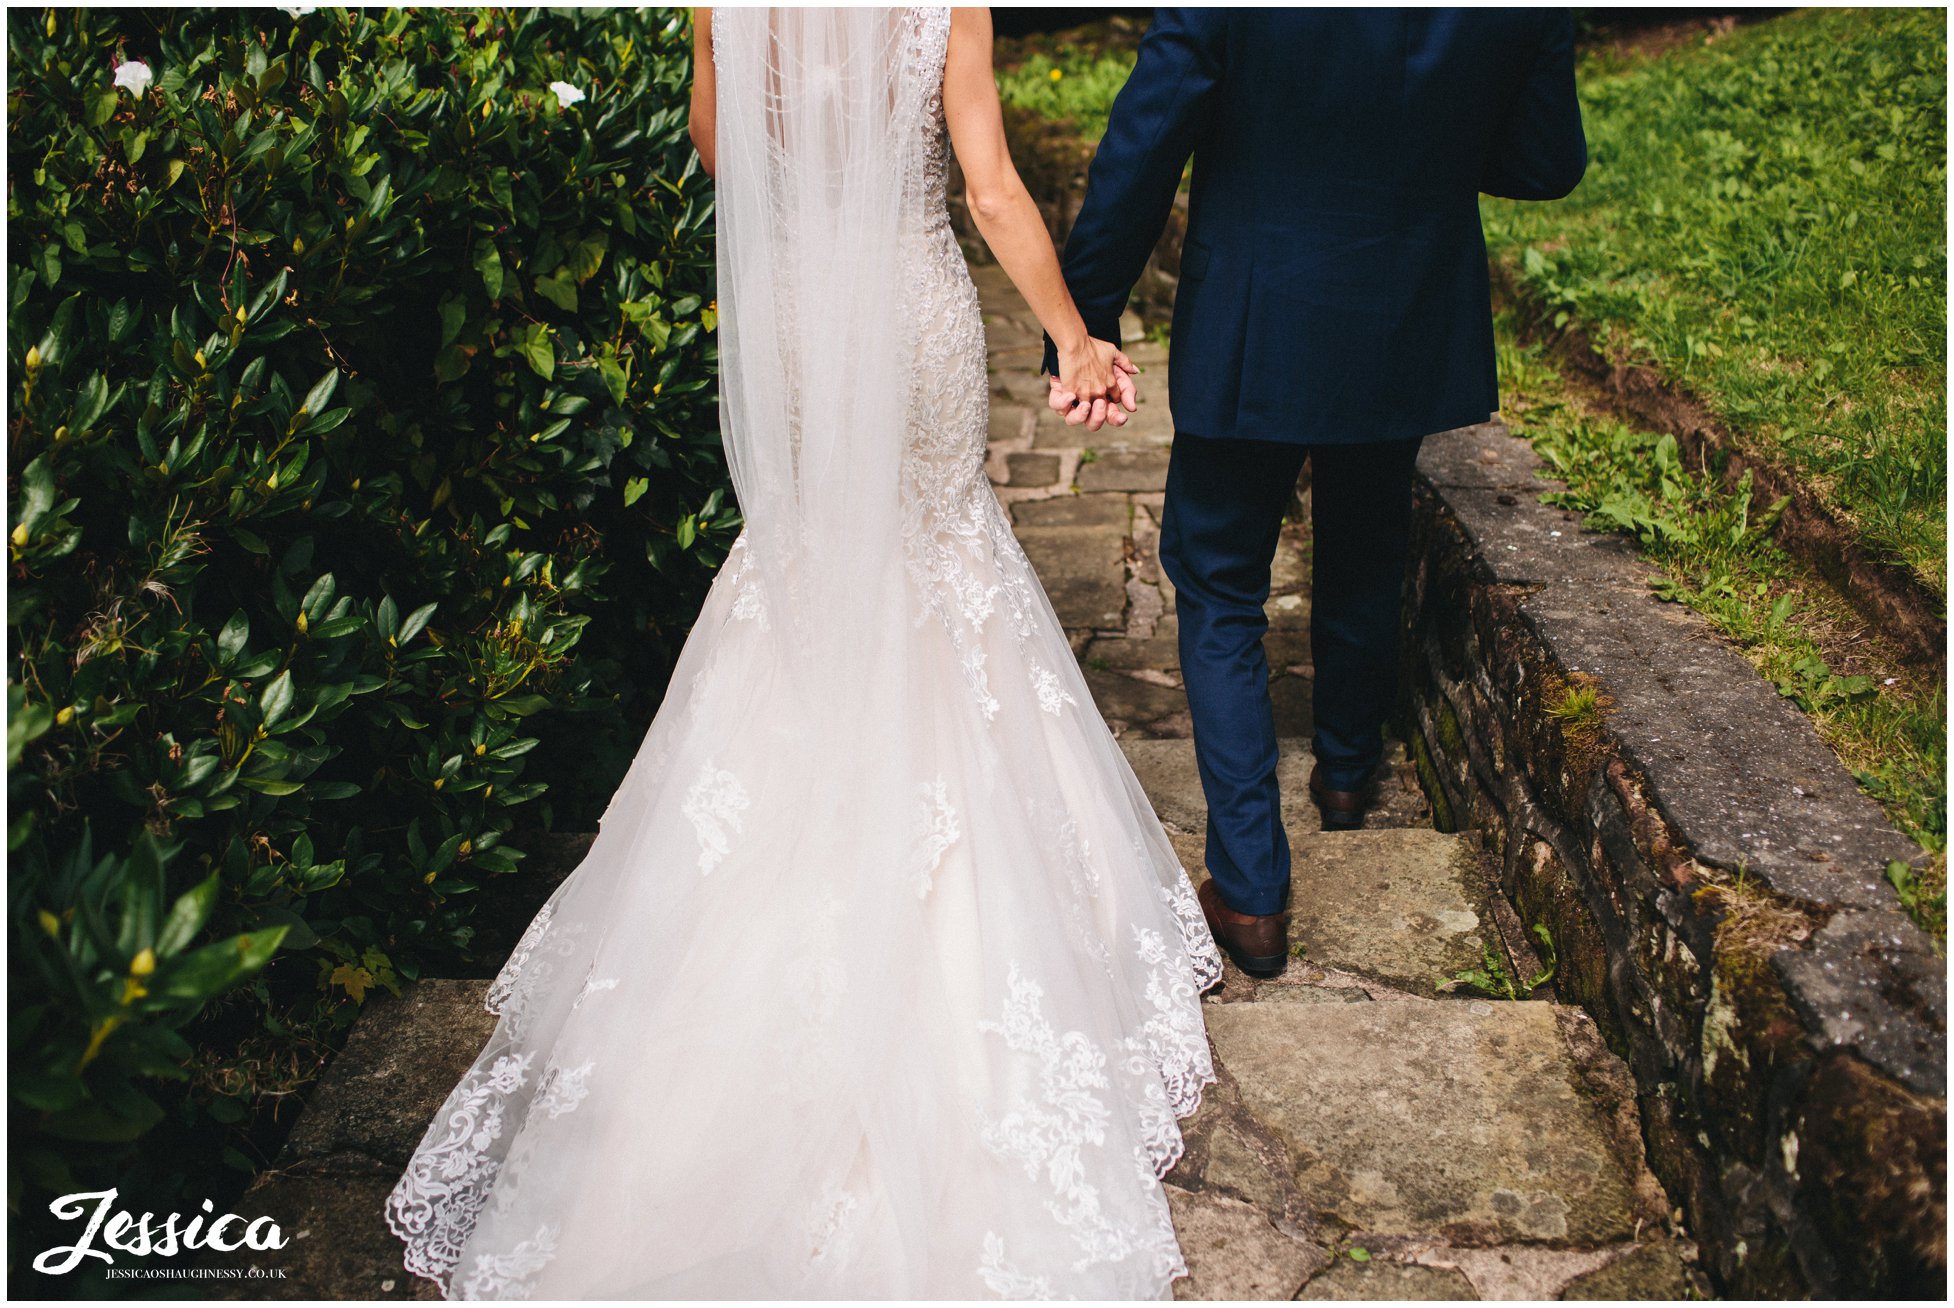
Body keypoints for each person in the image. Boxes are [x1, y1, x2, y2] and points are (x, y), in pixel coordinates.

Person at [384, 8, 1220, 1298]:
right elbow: (988, 184)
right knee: (936, 560)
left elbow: (720, 150)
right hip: (904, 302)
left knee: (809, 581)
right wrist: (1071, 333)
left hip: (790, 313)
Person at [1045, 9, 1587, 978]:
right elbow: (1545, 162)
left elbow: (1142, 148)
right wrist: (1420, 143)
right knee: (1367, 541)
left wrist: (1080, 322)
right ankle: (1345, 775)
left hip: (1257, 315)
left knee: (1217, 582)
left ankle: (1250, 890)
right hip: (1404, 309)